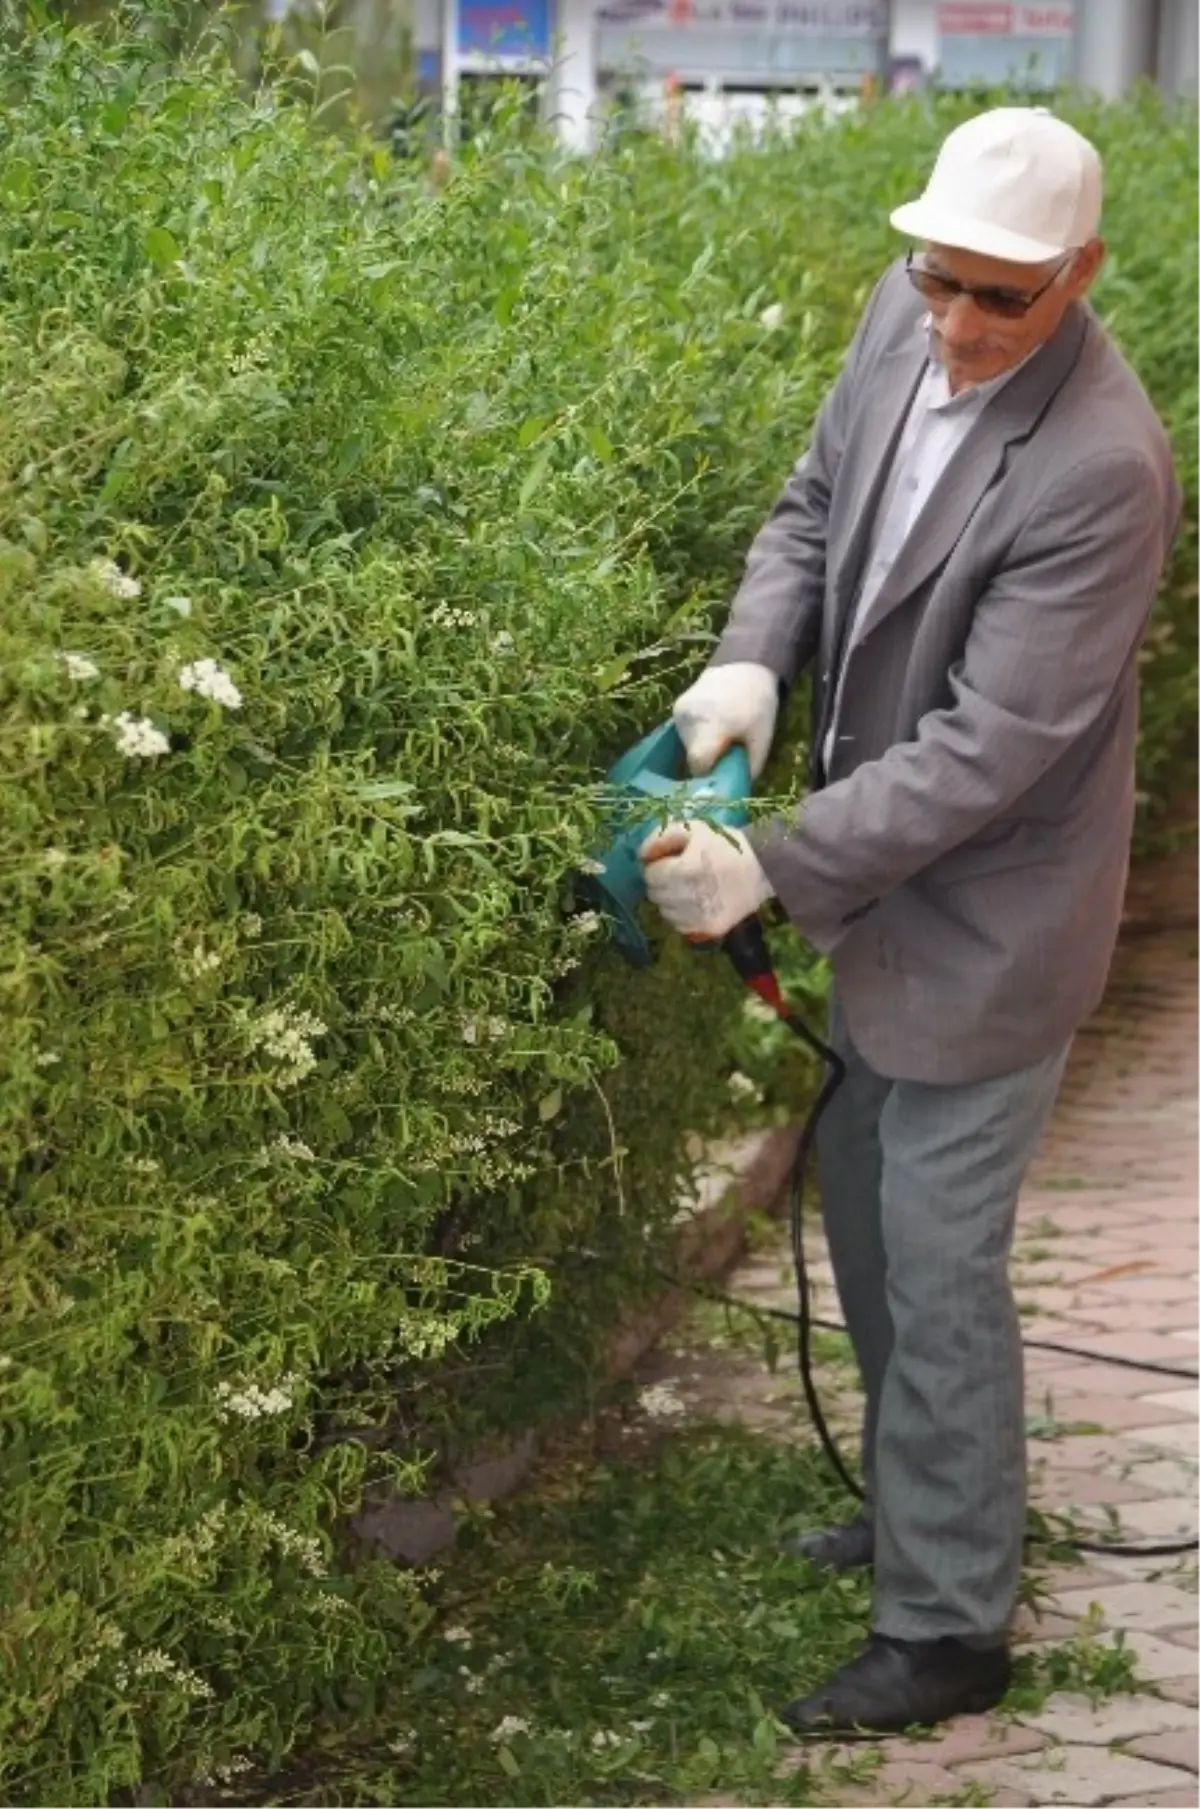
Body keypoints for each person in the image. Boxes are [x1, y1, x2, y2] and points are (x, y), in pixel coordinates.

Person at [639, 107, 1181, 1735]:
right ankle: (921, 1509)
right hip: (887, 878)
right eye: (936, 277)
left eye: (1000, 299)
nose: (953, 323)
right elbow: (814, 506)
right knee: (867, 1209)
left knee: (937, 1262)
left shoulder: (1103, 466)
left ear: (1079, 275)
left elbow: (996, 747)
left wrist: (779, 866)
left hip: (992, 916)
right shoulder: (908, 306)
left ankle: (949, 1626)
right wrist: (754, 653)